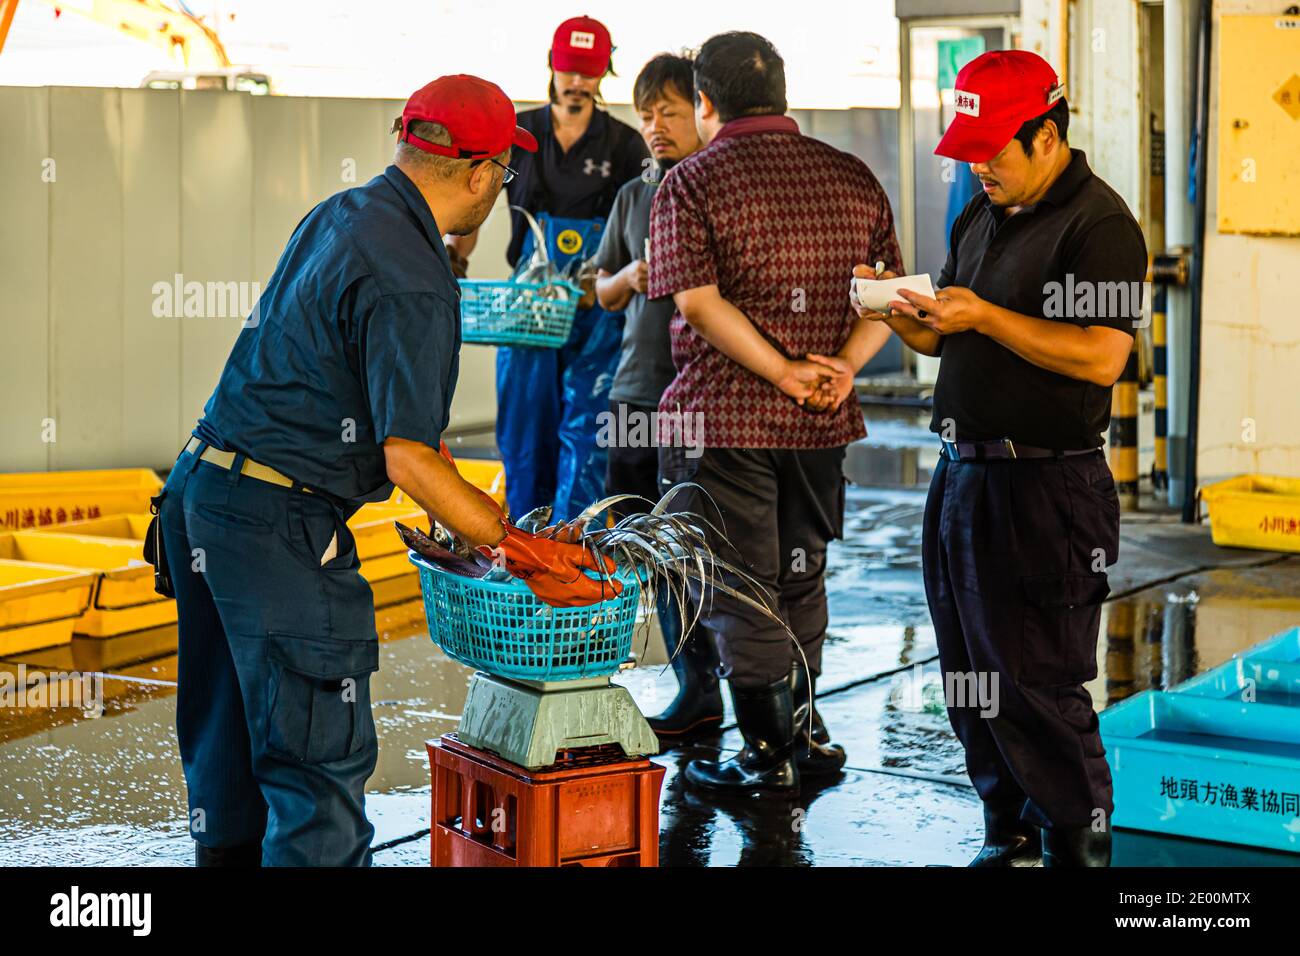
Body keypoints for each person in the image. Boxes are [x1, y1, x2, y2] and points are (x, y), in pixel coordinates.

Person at [157, 75, 617, 867]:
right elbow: (406, 458)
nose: (500, 192)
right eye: (505, 177)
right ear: (479, 175)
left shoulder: (342, 213)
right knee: (314, 785)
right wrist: (511, 544)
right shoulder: (415, 276)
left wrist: (469, 515)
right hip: (277, 531)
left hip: (204, 498)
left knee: (228, 767)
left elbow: (366, 409)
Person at [854, 50, 1146, 867]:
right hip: (962, 477)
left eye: (994, 148)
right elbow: (944, 335)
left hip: (1045, 485)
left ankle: (1075, 846)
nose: (978, 165)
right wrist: (896, 306)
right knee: (969, 675)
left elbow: (1100, 356)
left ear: (1047, 134)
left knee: (1037, 683)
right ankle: (1006, 831)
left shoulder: (1099, 224)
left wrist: (984, 315)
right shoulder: (980, 217)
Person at [648, 32, 903, 794]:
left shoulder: (692, 182)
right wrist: (839, 371)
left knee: (738, 584)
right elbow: (886, 295)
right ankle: (806, 737)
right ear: (782, 94)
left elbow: (696, 302)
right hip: (822, 423)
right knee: (800, 576)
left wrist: (782, 371)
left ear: (705, 101)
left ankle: (768, 755)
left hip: (723, 421)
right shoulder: (851, 175)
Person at [448, 15, 649, 522]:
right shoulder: (519, 133)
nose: (578, 82)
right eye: (570, 69)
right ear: (552, 66)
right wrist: (454, 255)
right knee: (525, 431)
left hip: (595, 308)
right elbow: (477, 199)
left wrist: (606, 282)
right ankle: (524, 552)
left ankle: (573, 559)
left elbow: (635, 228)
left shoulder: (625, 146)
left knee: (587, 434)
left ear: (605, 73)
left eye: (590, 71)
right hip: (529, 308)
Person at [591, 53, 714, 741]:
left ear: (701, 109)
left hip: (695, 396)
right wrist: (630, 277)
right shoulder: (634, 196)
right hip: (633, 391)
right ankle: (690, 684)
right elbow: (600, 290)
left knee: (694, 540)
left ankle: (720, 685)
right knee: (636, 540)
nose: (655, 127)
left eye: (668, 110)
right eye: (645, 115)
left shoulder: (716, 189)